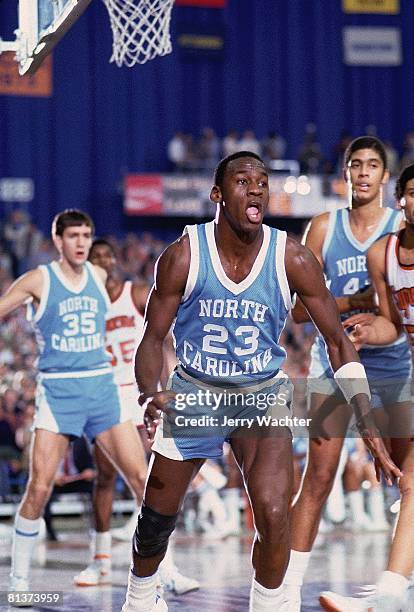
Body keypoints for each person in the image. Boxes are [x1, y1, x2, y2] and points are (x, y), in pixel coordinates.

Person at [121, 150, 400, 612]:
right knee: (155, 520)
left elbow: (337, 341)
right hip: (196, 390)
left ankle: (269, 606)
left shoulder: (292, 256)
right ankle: (139, 598)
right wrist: (151, 394)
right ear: (217, 194)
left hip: (261, 394)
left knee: (274, 515)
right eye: (243, 181)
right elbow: (152, 339)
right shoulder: (184, 255)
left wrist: (366, 419)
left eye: (262, 182)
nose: (255, 188)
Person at [282, 136, 412, 611]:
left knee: (405, 479)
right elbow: (298, 311)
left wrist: (368, 307)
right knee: (317, 477)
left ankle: (398, 584)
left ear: (385, 177)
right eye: (355, 165)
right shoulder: (322, 227)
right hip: (334, 364)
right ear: (345, 174)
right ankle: (285, 590)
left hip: (396, 364)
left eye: (372, 165)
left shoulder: (403, 226)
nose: (362, 172)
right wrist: (357, 302)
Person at [0, 209, 148, 594]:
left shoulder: (99, 277)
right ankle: (20, 580)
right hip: (59, 391)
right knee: (39, 487)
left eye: (87, 235)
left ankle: (152, 572)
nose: (82, 242)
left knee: (143, 481)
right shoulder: (39, 279)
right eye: (74, 236)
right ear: (58, 241)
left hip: (101, 388)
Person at [73, 238, 199, 595]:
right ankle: (99, 561)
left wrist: (168, 382)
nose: (101, 261)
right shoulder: (85, 304)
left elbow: (160, 339)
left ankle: (164, 566)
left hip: (140, 393)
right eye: (94, 257)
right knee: (105, 476)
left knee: (154, 480)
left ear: (114, 260)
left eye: (105, 255)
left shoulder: (138, 293)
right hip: (106, 397)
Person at [320, 163, 414, 611]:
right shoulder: (384, 254)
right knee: (410, 481)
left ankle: (391, 593)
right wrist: (365, 333)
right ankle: (392, 593)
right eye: (413, 193)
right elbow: (393, 325)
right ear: (402, 201)